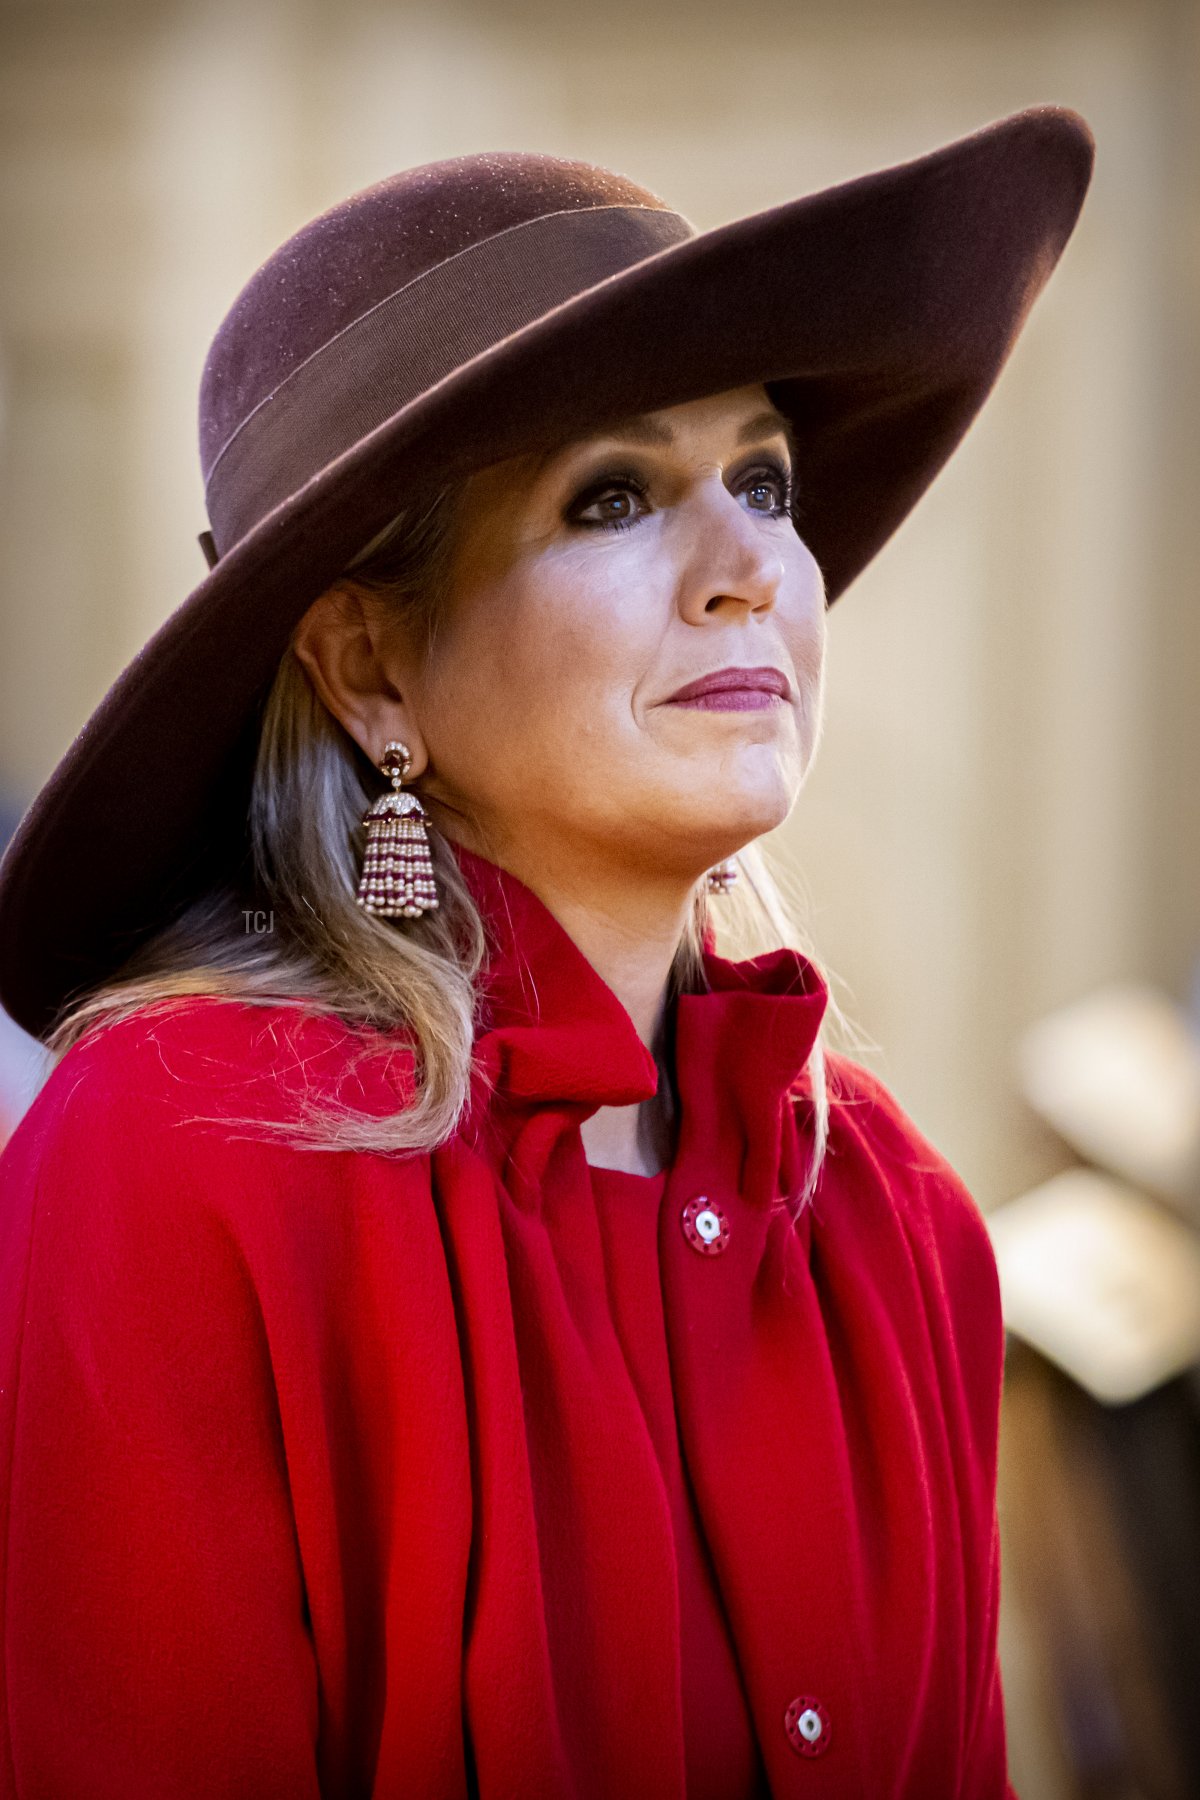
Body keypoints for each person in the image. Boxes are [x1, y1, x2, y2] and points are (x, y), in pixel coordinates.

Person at [0, 107, 1093, 1798]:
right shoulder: (178, 1151)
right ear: (372, 669)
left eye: (766, 478)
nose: (752, 570)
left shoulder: (905, 1221)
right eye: (614, 496)